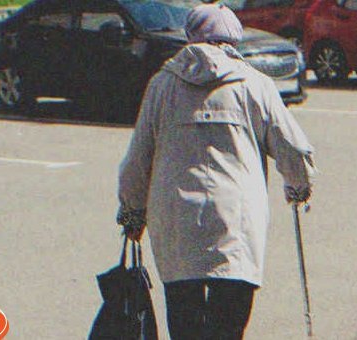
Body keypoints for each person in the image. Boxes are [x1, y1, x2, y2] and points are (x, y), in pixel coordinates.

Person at [117, 3, 316, 339]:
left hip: (177, 221)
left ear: (190, 36)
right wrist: (299, 187)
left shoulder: (162, 86)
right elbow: (294, 149)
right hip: (235, 222)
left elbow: (137, 160)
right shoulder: (255, 84)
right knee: (228, 327)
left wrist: (132, 213)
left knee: (185, 325)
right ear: (234, 39)